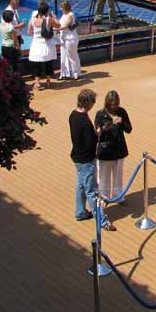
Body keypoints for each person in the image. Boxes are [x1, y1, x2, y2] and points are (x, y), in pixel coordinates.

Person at [69, 89, 114, 230]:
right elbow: (90, 143)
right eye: (92, 102)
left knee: (80, 185)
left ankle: (80, 212)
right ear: (87, 102)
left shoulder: (73, 115)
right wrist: (98, 134)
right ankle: (102, 221)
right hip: (86, 160)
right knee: (92, 190)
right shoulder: (85, 122)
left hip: (77, 156)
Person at [95, 91, 131, 208]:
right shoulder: (100, 114)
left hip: (119, 149)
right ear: (107, 103)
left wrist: (122, 122)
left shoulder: (121, 112)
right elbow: (98, 132)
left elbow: (129, 129)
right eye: (111, 104)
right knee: (104, 176)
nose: (113, 107)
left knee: (118, 175)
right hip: (106, 151)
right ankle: (103, 198)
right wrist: (110, 124)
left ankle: (118, 195)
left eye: (115, 104)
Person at [28, 1, 60, 90]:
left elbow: (29, 32)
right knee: (48, 63)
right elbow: (58, 25)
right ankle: (48, 81)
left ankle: (37, 82)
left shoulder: (33, 19)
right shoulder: (49, 19)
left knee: (36, 64)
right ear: (47, 10)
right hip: (47, 44)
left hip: (36, 44)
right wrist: (52, 16)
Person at [58, 0, 80, 80]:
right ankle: (66, 73)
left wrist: (54, 29)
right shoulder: (64, 14)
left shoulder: (70, 15)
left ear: (64, 7)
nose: (60, 9)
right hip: (64, 38)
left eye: (61, 7)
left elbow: (65, 26)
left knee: (72, 56)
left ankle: (76, 74)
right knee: (65, 56)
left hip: (70, 38)